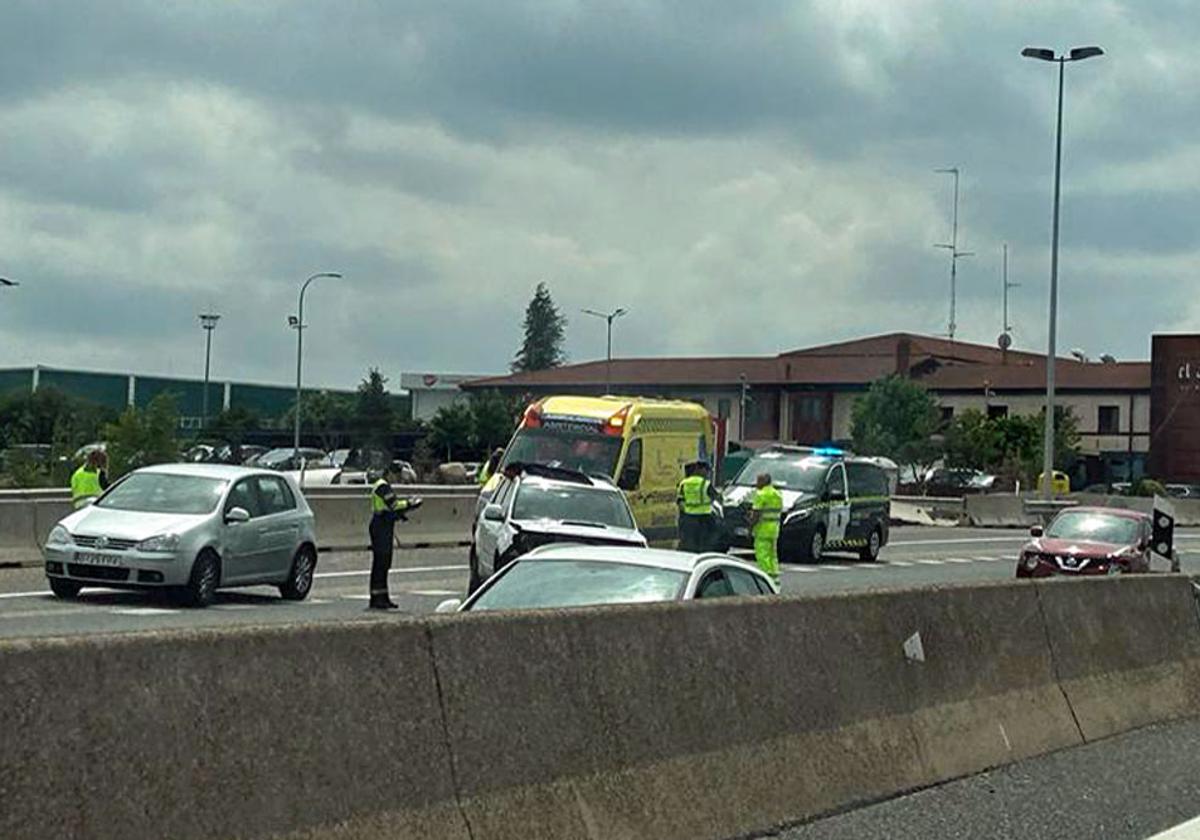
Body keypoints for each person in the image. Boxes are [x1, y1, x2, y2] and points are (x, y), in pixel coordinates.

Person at [367, 471, 423, 609]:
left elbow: (390, 509)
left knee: (384, 562)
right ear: (390, 473)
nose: (397, 477)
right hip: (381, 525)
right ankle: (376, 599)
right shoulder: (383, 486)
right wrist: (409, 503)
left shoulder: (383, 486)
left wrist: (400, 514)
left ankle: (383, 597)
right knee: (381, 561)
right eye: (396, 474)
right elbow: (394, 504)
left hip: (383, 524)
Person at [747, 472, 782, 585]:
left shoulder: (760, 494)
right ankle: (775, 580)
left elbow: (756, 514)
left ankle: (765, 581)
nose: (756, 483)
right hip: (774, 530)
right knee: (773, 556)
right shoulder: (778, 494)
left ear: (763, 481)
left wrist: (750, 527)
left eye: (758, 481)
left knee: (762, 557)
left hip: (762, 530)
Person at [676, 460, 718, 552]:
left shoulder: (683, 483)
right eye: (706, 470)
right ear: (700, 470)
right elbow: (716, 497)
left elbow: (680, 501)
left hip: (688, 518)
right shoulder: (706, 484)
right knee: (706, 545)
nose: (707, 473)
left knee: (688, 545)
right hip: (704, 518)